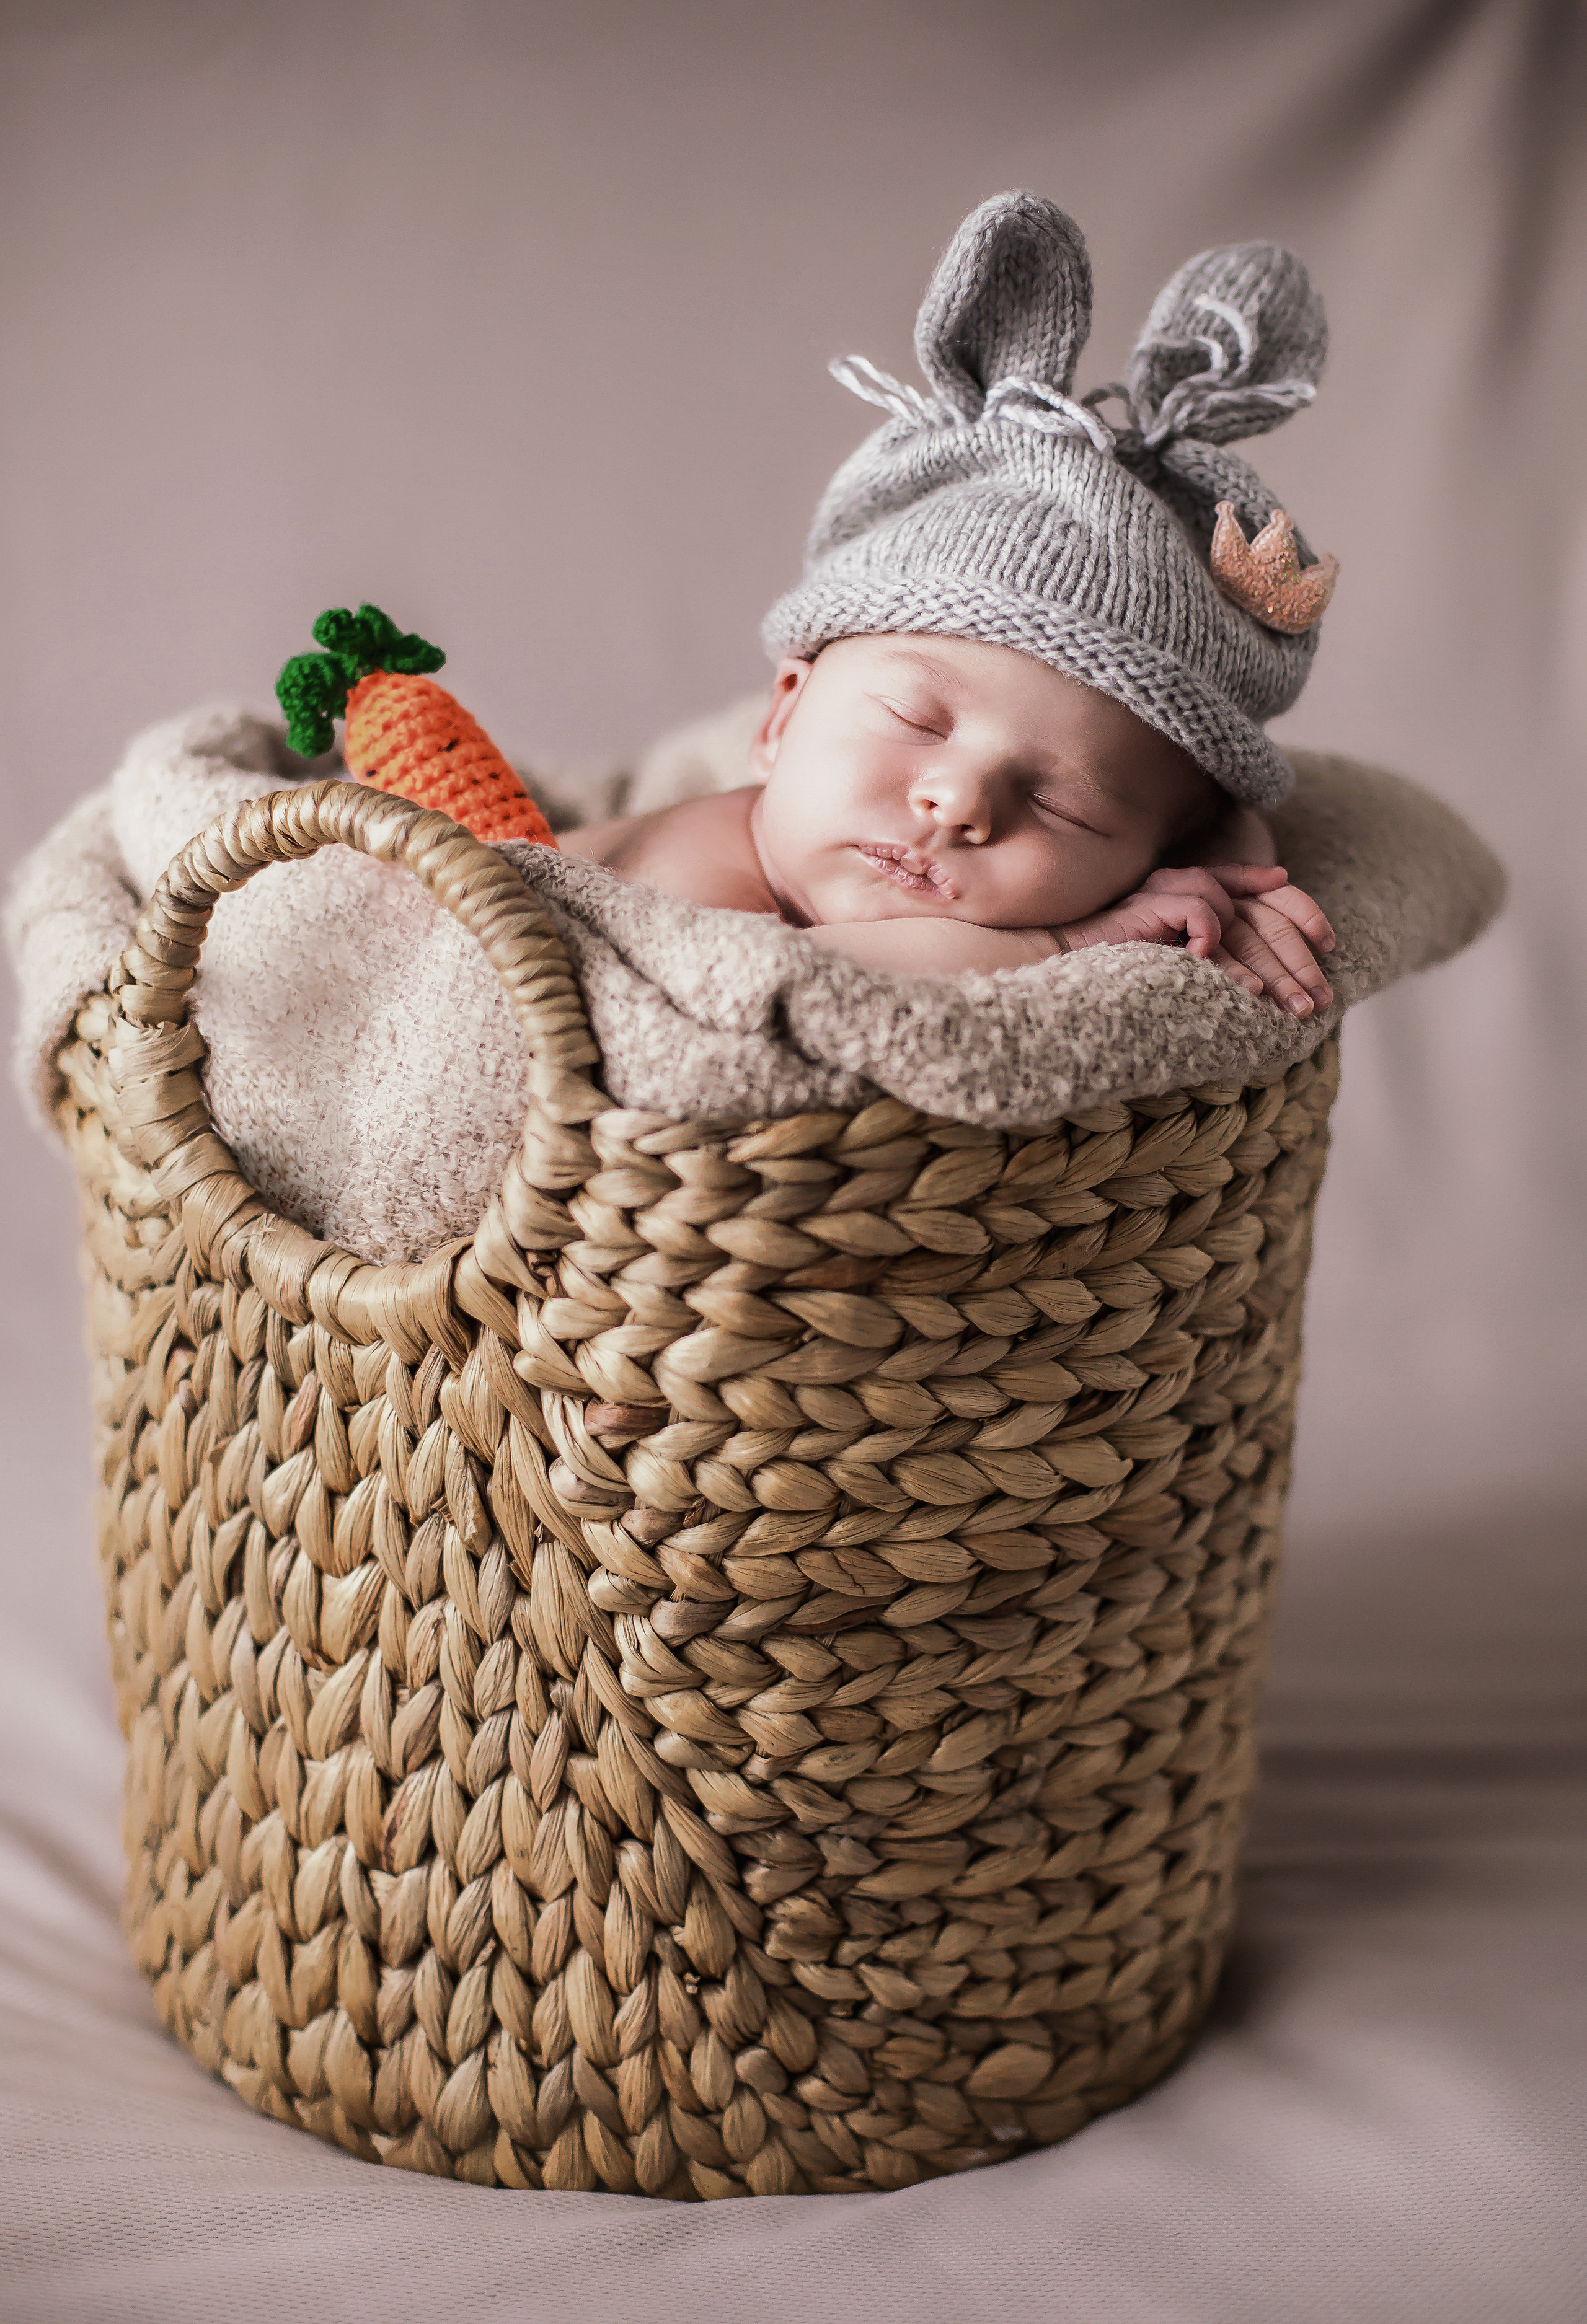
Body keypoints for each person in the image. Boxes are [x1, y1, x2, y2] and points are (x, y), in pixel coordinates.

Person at [562, 192, 1340, 1018]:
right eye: (914, 719)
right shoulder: (693, 868)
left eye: (1060, 805)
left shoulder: (1114, 845)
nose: (961, 801)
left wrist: (1226, 891)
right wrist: (1067, 944)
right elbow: (780, 990)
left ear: (1148, 860)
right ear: (779, 721)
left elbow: (1228, 823)